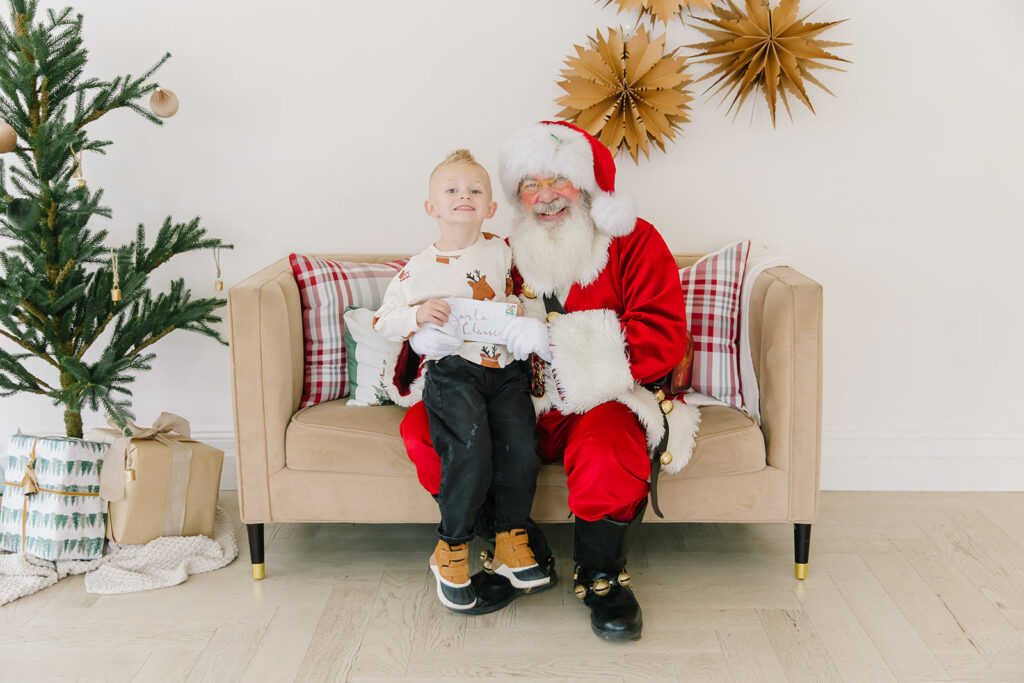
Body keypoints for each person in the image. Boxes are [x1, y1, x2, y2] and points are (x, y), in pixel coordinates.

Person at [399, 122, 700, 640]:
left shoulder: (634, 240)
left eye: (558, 180)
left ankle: (602, 576)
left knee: (609, 446)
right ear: (516, 195)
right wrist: (425, 334)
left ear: (584, 185)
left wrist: (558, 343)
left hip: (599, 398)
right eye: (531, 184)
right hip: (508, 397)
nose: (546, 197)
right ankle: (514, 542)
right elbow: (443, 298)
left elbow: (662, 333)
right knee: (423, 429)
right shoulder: (496, 247)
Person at [373, 149, 552, 612]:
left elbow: (524, 297)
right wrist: (416, 319)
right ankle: (450, 546)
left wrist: (523, 320)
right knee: (469, 449)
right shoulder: (418, 268)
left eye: (475, 190)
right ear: (432, 207)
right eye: (451, 190)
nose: (463, 197)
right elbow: (382, 320)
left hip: (505, 370)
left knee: (520, 449)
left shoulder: (503, 251)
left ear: (491, 207)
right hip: (455, 373)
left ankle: (511, 538)